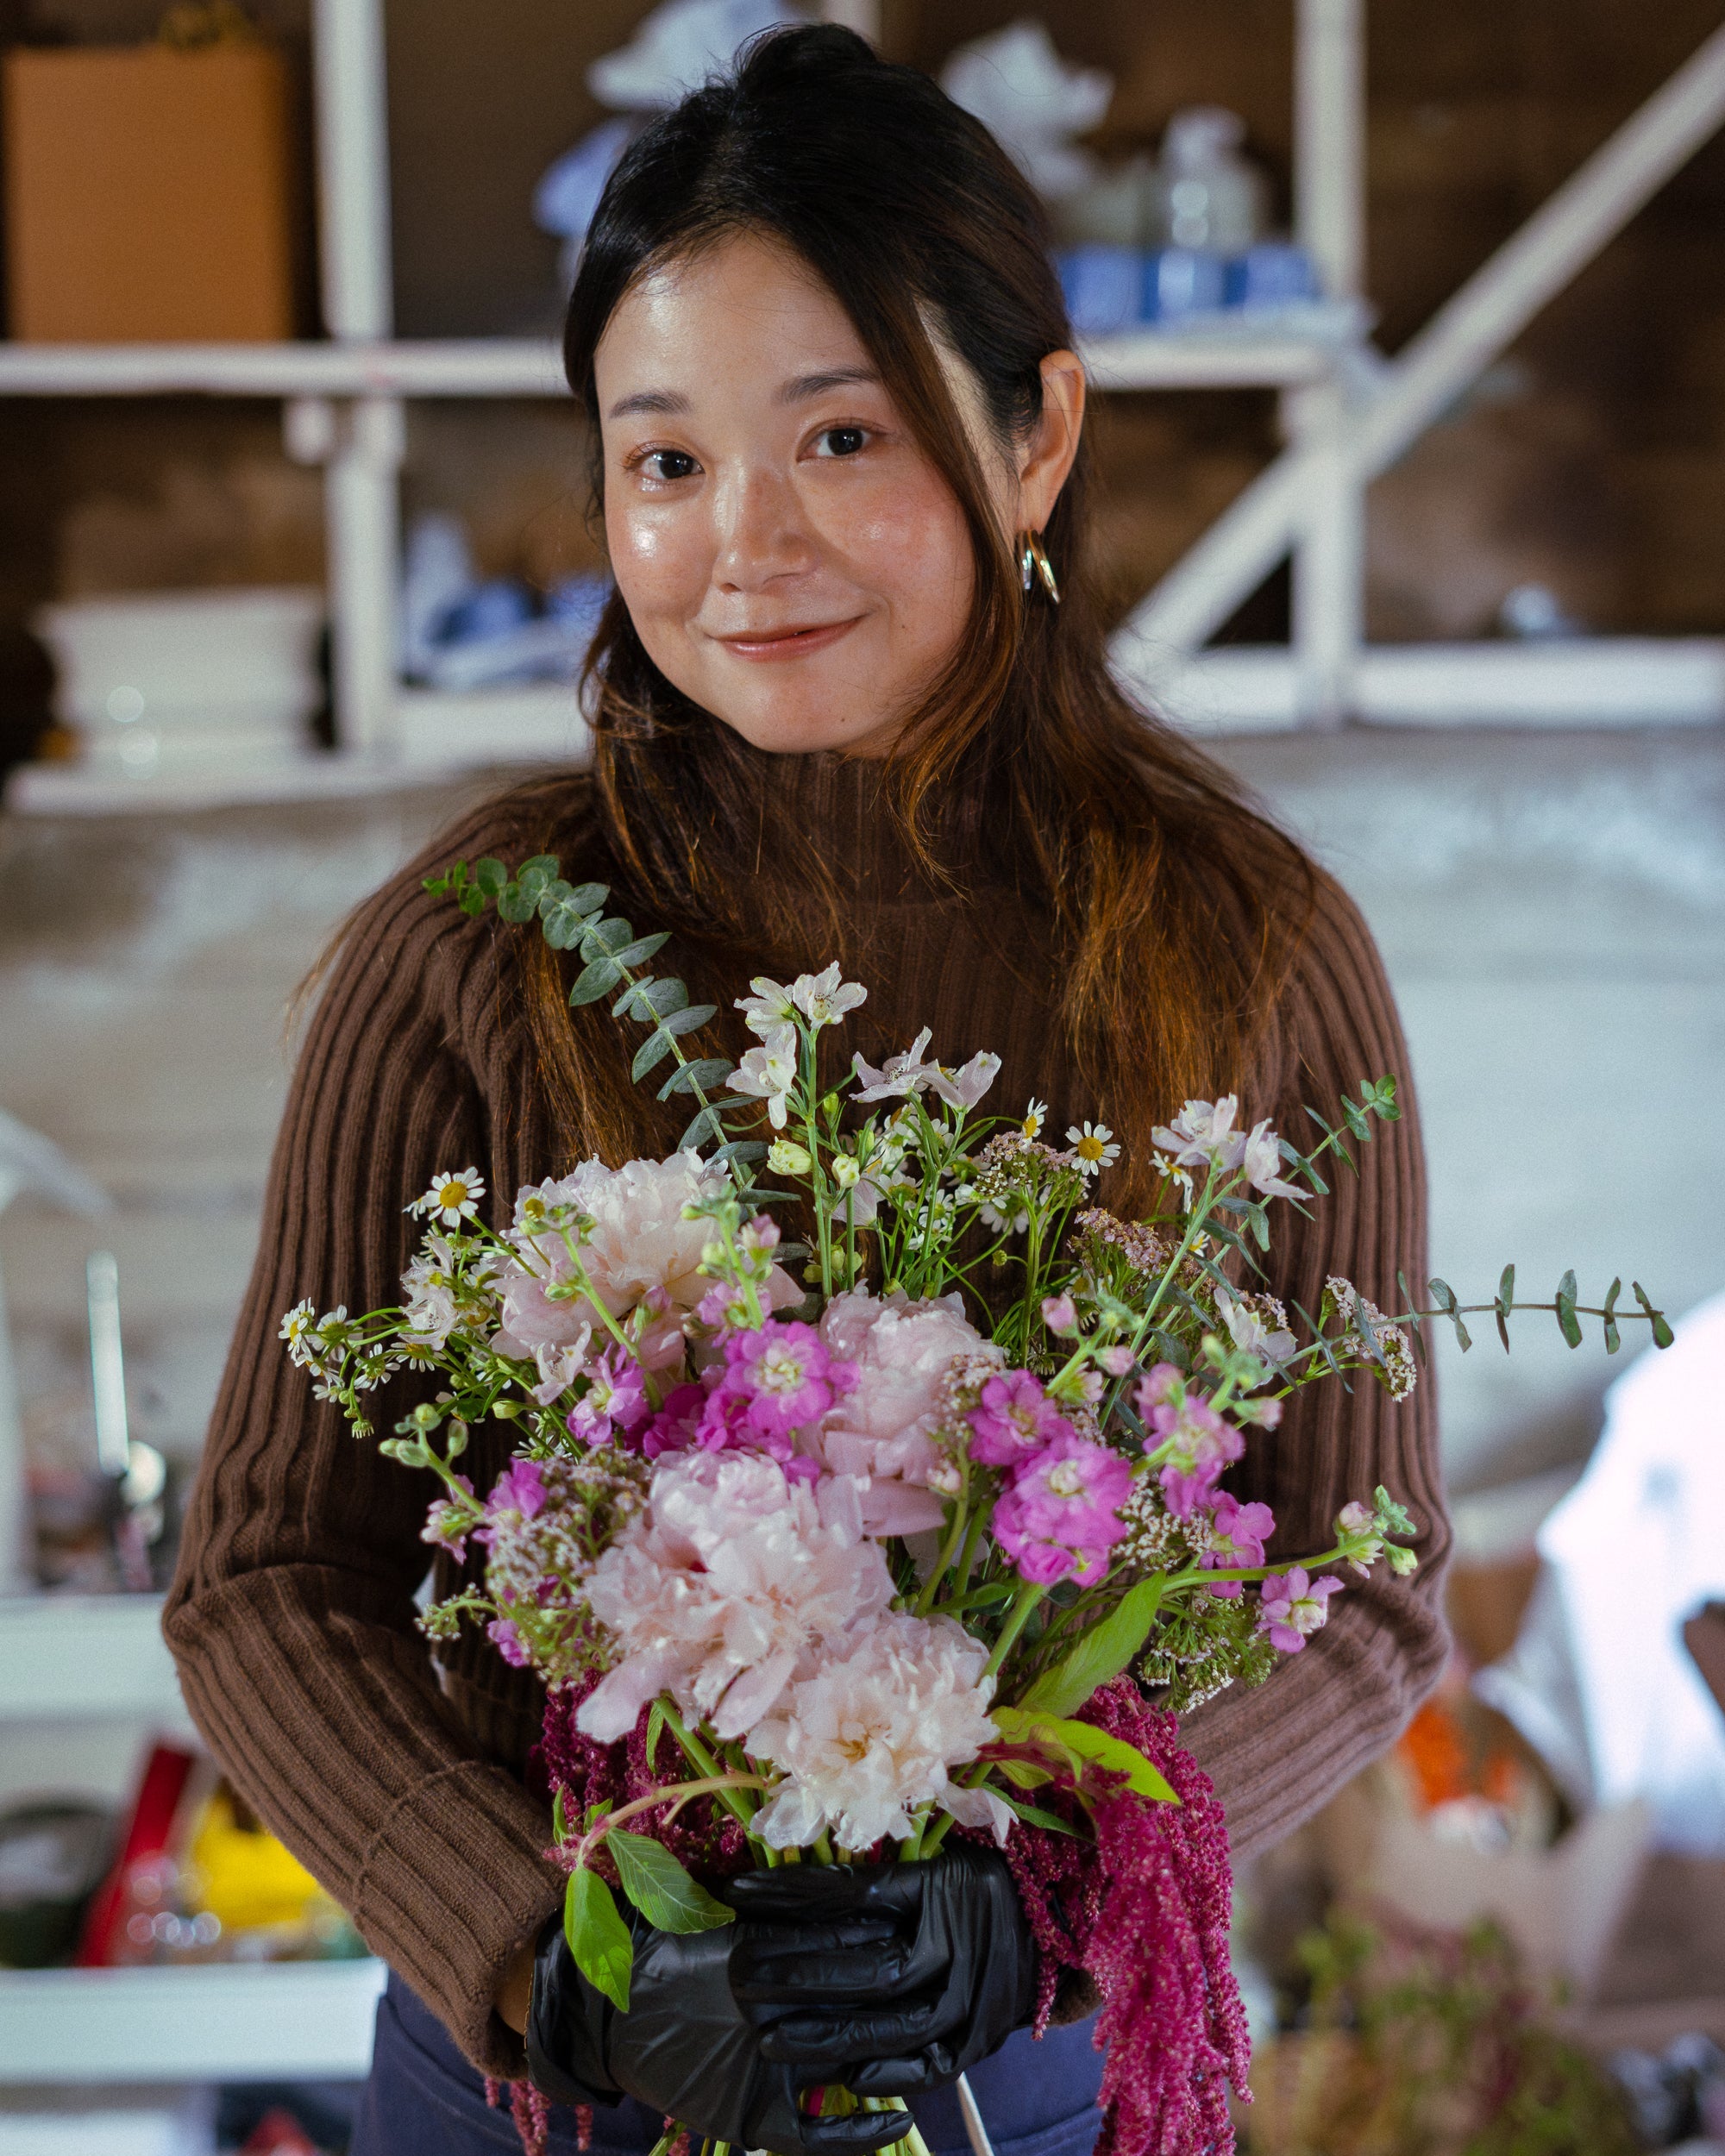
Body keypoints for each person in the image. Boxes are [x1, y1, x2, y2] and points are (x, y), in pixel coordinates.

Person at [166, 26, 1449, 2156]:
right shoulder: (477, 949)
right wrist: (540, 1945)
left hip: (1024, 2078)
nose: (743, 542)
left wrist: (1044, 1897)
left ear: (1036, 434)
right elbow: (267, 1573)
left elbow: (1360, 1575)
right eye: (664, 461)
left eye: (840, 435)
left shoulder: (1246, 951)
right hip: (542, 2084)